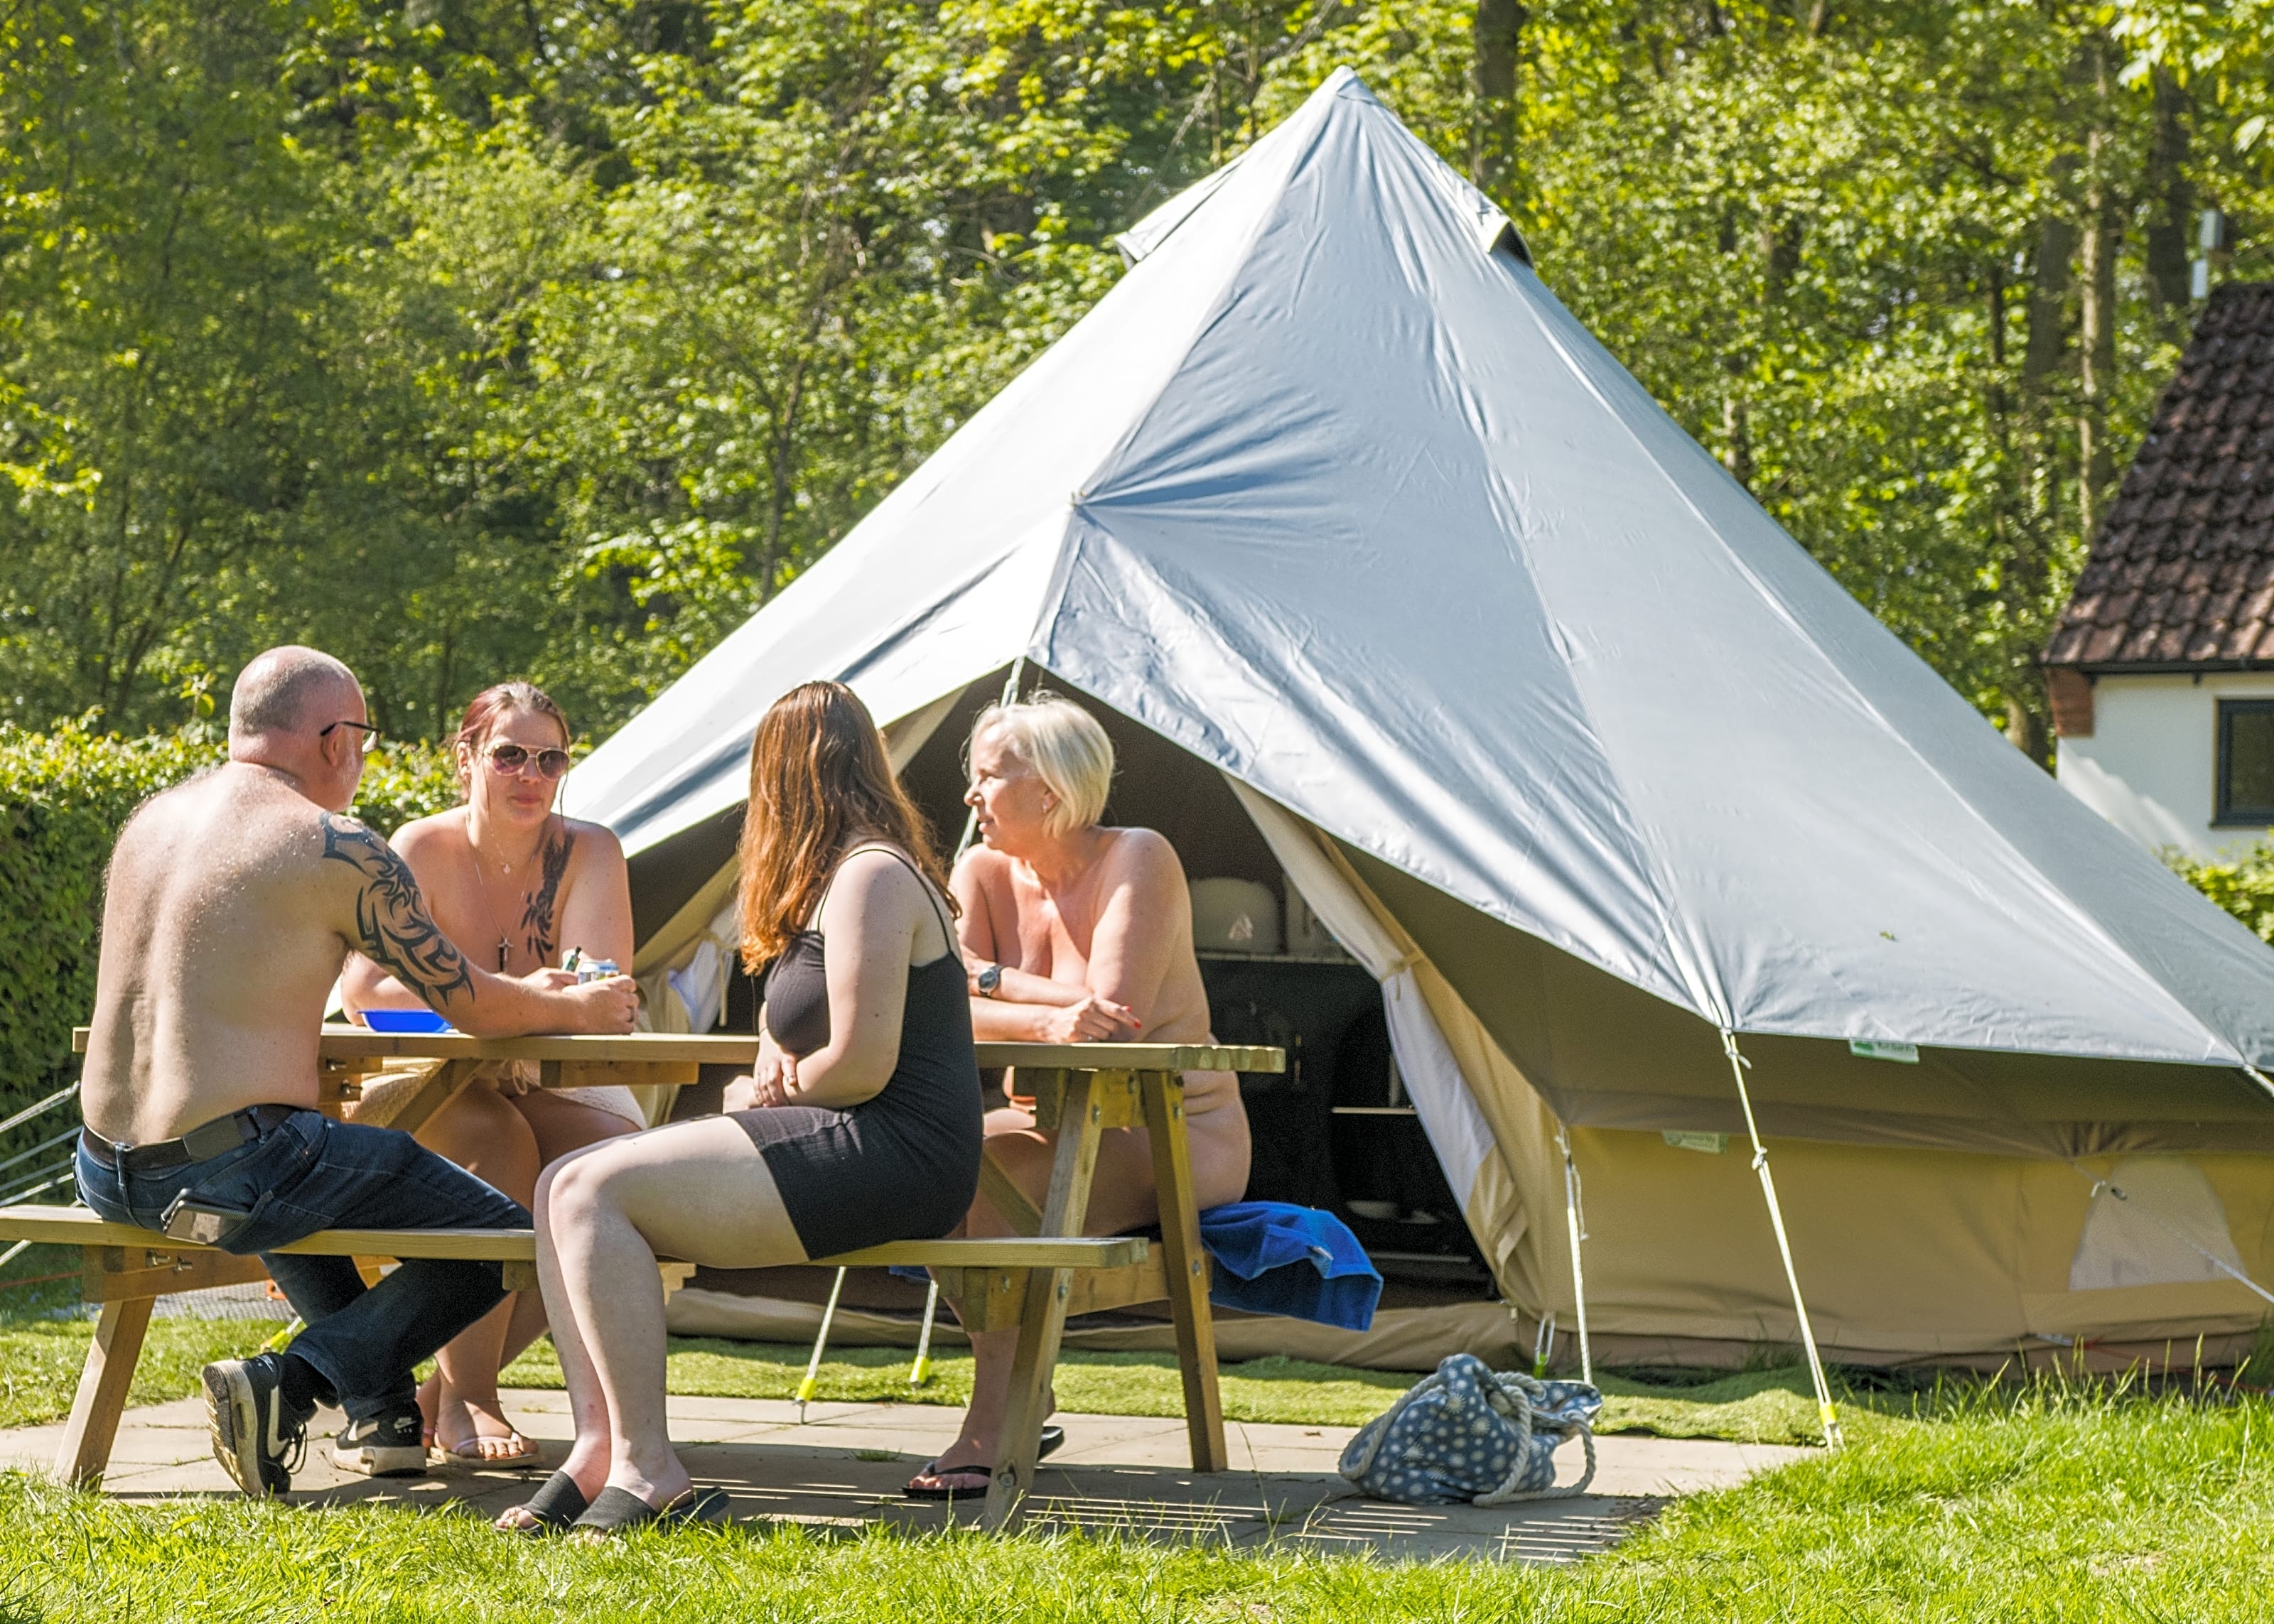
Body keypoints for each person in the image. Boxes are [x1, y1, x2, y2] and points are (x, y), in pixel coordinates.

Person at [75, 646, 639, 1498]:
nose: (363, 759)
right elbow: (472, 1004)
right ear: (336, 741)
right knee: (496, 1241)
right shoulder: (333, 845)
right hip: (241, 1165)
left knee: (306, 1186)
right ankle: (290, 1382)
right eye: (365, 740)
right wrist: (572, 1006)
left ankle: (385, 1413)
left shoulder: (151, 822)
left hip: (105, 1170)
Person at [498, 680, 981, 1536]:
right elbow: (798, 1026)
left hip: (898, 1151)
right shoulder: (829, 886)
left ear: (784, 779)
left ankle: (650, 1469)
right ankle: (599, 1450)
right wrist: (770, 1056)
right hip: (846, 1131)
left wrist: (771, 1089)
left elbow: (861, 1068)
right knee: (561, 1182)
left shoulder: (871, 876)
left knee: (596, 1190)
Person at [905, 692, 1251, 1499]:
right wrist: (1030, 1000)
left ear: (1050, 790)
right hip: (1045, 1124)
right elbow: (936, 1004)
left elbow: (1112, 1023)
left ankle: (997, 1418)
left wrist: (984, 982)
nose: (970, 795)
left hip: (1169, 1130)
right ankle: (1020, 1395)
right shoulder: (982, 870)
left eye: (989, 776)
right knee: (922, 1164)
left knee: (987, 1181)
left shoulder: (1139, 856)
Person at [340, 681, 644, 1465]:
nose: (530, 775)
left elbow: (602, 998)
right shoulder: (419, 848)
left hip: (546, 1072)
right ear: (467, 758)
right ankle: (473, 1396)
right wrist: (511, 1006)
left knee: (614, 1177)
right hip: (423, 1072)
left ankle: (436, 1396)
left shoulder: (592, 851)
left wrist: (514, 1017)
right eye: (510, 755)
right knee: (502, 1147)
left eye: (551, 760)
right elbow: (368, 994)